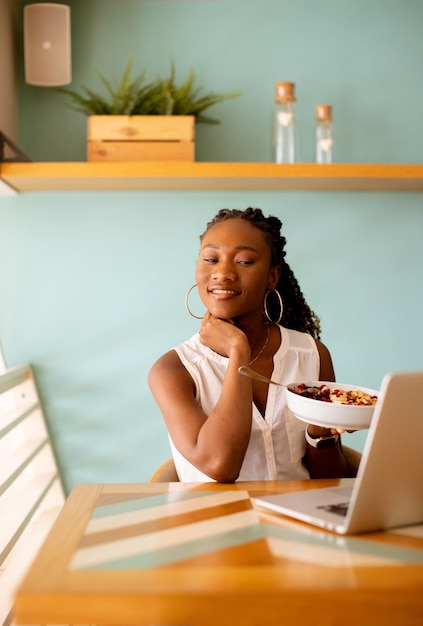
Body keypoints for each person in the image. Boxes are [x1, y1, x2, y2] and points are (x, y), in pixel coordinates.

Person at [149, 207, 349, 482]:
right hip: (213, 522)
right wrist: (238, 351)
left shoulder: (311, 355)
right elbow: (220, 465)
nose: (223, 273)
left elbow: (331, 478)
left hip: (299, 519)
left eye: (243, 261)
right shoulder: (173, 370)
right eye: (210, 259)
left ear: (272, 277)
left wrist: (319, 432)